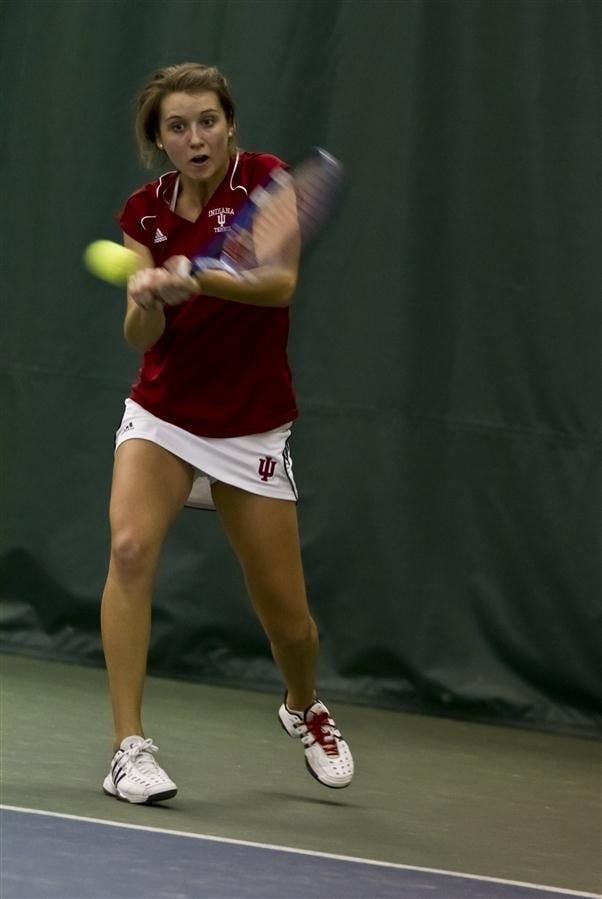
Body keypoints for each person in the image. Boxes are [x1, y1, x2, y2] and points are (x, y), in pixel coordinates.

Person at [100, 62, 354, 804]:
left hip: (251, 428)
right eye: (177, 127)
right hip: (164, 414)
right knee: (128, 549)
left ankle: (302, 704)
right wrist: (149, 295)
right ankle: (127, 749)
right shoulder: (144, 212)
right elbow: (139, 337)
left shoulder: (268, 180)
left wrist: (200, 276)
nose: (196, 137)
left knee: (291, 625)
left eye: (207, 121)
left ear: (229, 124)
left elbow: (278, 283)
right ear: (160, 140)